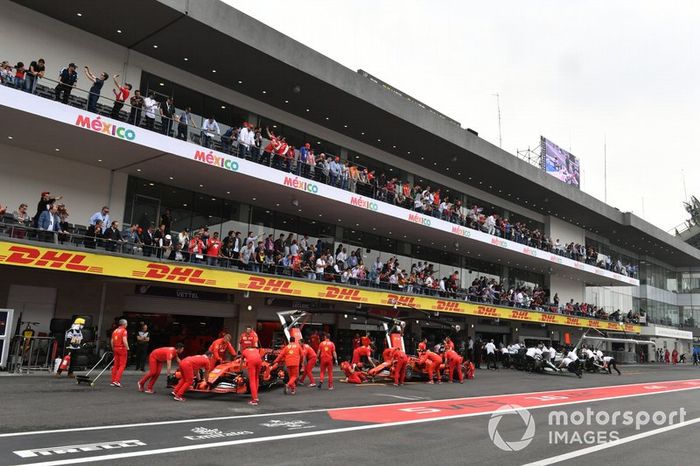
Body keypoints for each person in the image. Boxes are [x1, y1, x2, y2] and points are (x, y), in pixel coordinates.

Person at [110, 319, 129, 387]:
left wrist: (113, 348)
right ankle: (117, 381)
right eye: (126, 323)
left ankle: (113, 381)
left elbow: (112, 341)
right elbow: (124, 340)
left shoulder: (115, 330)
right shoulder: (124, 330)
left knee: (115, 365)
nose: (127, 325)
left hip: (115, 348)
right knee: (122, 365)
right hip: (122, 349)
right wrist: (127, 348)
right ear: (124, 324)